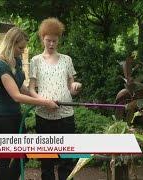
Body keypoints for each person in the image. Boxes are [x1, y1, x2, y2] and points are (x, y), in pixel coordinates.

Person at [0, 26, 58, 180]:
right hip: (2, 118)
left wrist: (42, 98)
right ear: (11, 44)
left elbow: (21, 87)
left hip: (15, 116)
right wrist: (44, 103)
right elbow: (16, 96)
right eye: (20, 48)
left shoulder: (16, 61)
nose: (22, 51)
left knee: (23, 154)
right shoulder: (1, 66)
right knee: (5, 158)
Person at [28, 17, 82, 180]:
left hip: (66, 115)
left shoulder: (67, 59)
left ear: (58, 40)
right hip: (43, 116)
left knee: (66, 158)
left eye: (54, 41)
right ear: (42, 38)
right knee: (46, 159)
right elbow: (31, 89)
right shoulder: (35, 60)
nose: (51, 44)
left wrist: (75, 87)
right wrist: (43, 102)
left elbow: (71, 88)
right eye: (48, 40)